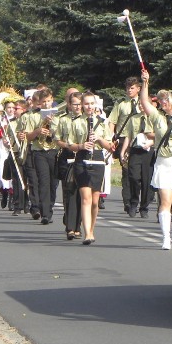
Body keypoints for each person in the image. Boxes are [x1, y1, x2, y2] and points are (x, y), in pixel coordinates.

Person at [67, 91, 115, 244]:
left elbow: (109, 146)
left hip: (98, 160)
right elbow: (70, 145)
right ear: (82, 105)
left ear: (95, 105)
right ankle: (87, 233)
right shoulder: (76, 122)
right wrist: (81, 145)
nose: (89, 106)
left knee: (95, 201)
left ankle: (92, 229)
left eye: (91, 103)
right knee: (86, 198)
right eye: (86, 104)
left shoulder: (102, 122)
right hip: (82, 159)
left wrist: (99, 139)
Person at [139, 70, 172, 249]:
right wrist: (145, 83)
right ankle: (165, 237)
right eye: (162, 100)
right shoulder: (157, 117)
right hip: (164, 162)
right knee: (166, 201)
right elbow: (145, 102)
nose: (163, 102)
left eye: (167, 100)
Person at [118, 82, 156, 219]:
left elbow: (158, 135)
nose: (141, 106)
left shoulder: (154, 118)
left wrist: (151, 140)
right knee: (133, 177)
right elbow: (128, 136)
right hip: (135, 150)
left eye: (144, 104)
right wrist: (123, 151)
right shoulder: (133, 118)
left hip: (148, 151)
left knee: (146, 180)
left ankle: (144, 207)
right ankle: (133, 201)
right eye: (140, 104)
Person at [23, 88, 60, 225]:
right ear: (39, 102)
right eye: (43, 102)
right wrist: (38, 131)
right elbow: (27, 137)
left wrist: (53, 128)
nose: (46, 104)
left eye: (49, 101)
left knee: (53, 183)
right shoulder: (33, 115)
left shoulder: (58, 116)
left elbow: (62, 135)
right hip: (39, 151)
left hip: (54, 150)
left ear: (52, 100)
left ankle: (49, 207)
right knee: (43, 181)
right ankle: (45, 213)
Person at [108, 77, 142, 214]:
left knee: (137, 174)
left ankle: (137, 199)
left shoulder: (143, 103)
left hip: (139, 140)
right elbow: (112, 121)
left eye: (132, 88)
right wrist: (110, 138)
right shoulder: (121, 103)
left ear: (138, 89)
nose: (129, 90)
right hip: (123, 140)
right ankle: (127, 201)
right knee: (127, 172)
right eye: (127, 88)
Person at [54, 91, 84, 240]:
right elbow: (57, 139)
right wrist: (67, 145)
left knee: (81, 193)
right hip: (67, 156)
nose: (77, 106)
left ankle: (78, 225)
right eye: (75, 104)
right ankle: (70, 227)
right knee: (69, 192)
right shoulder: (63, 120)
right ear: (69, 105)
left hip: (83, 156)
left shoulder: (87, 120)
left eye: (80, 104)